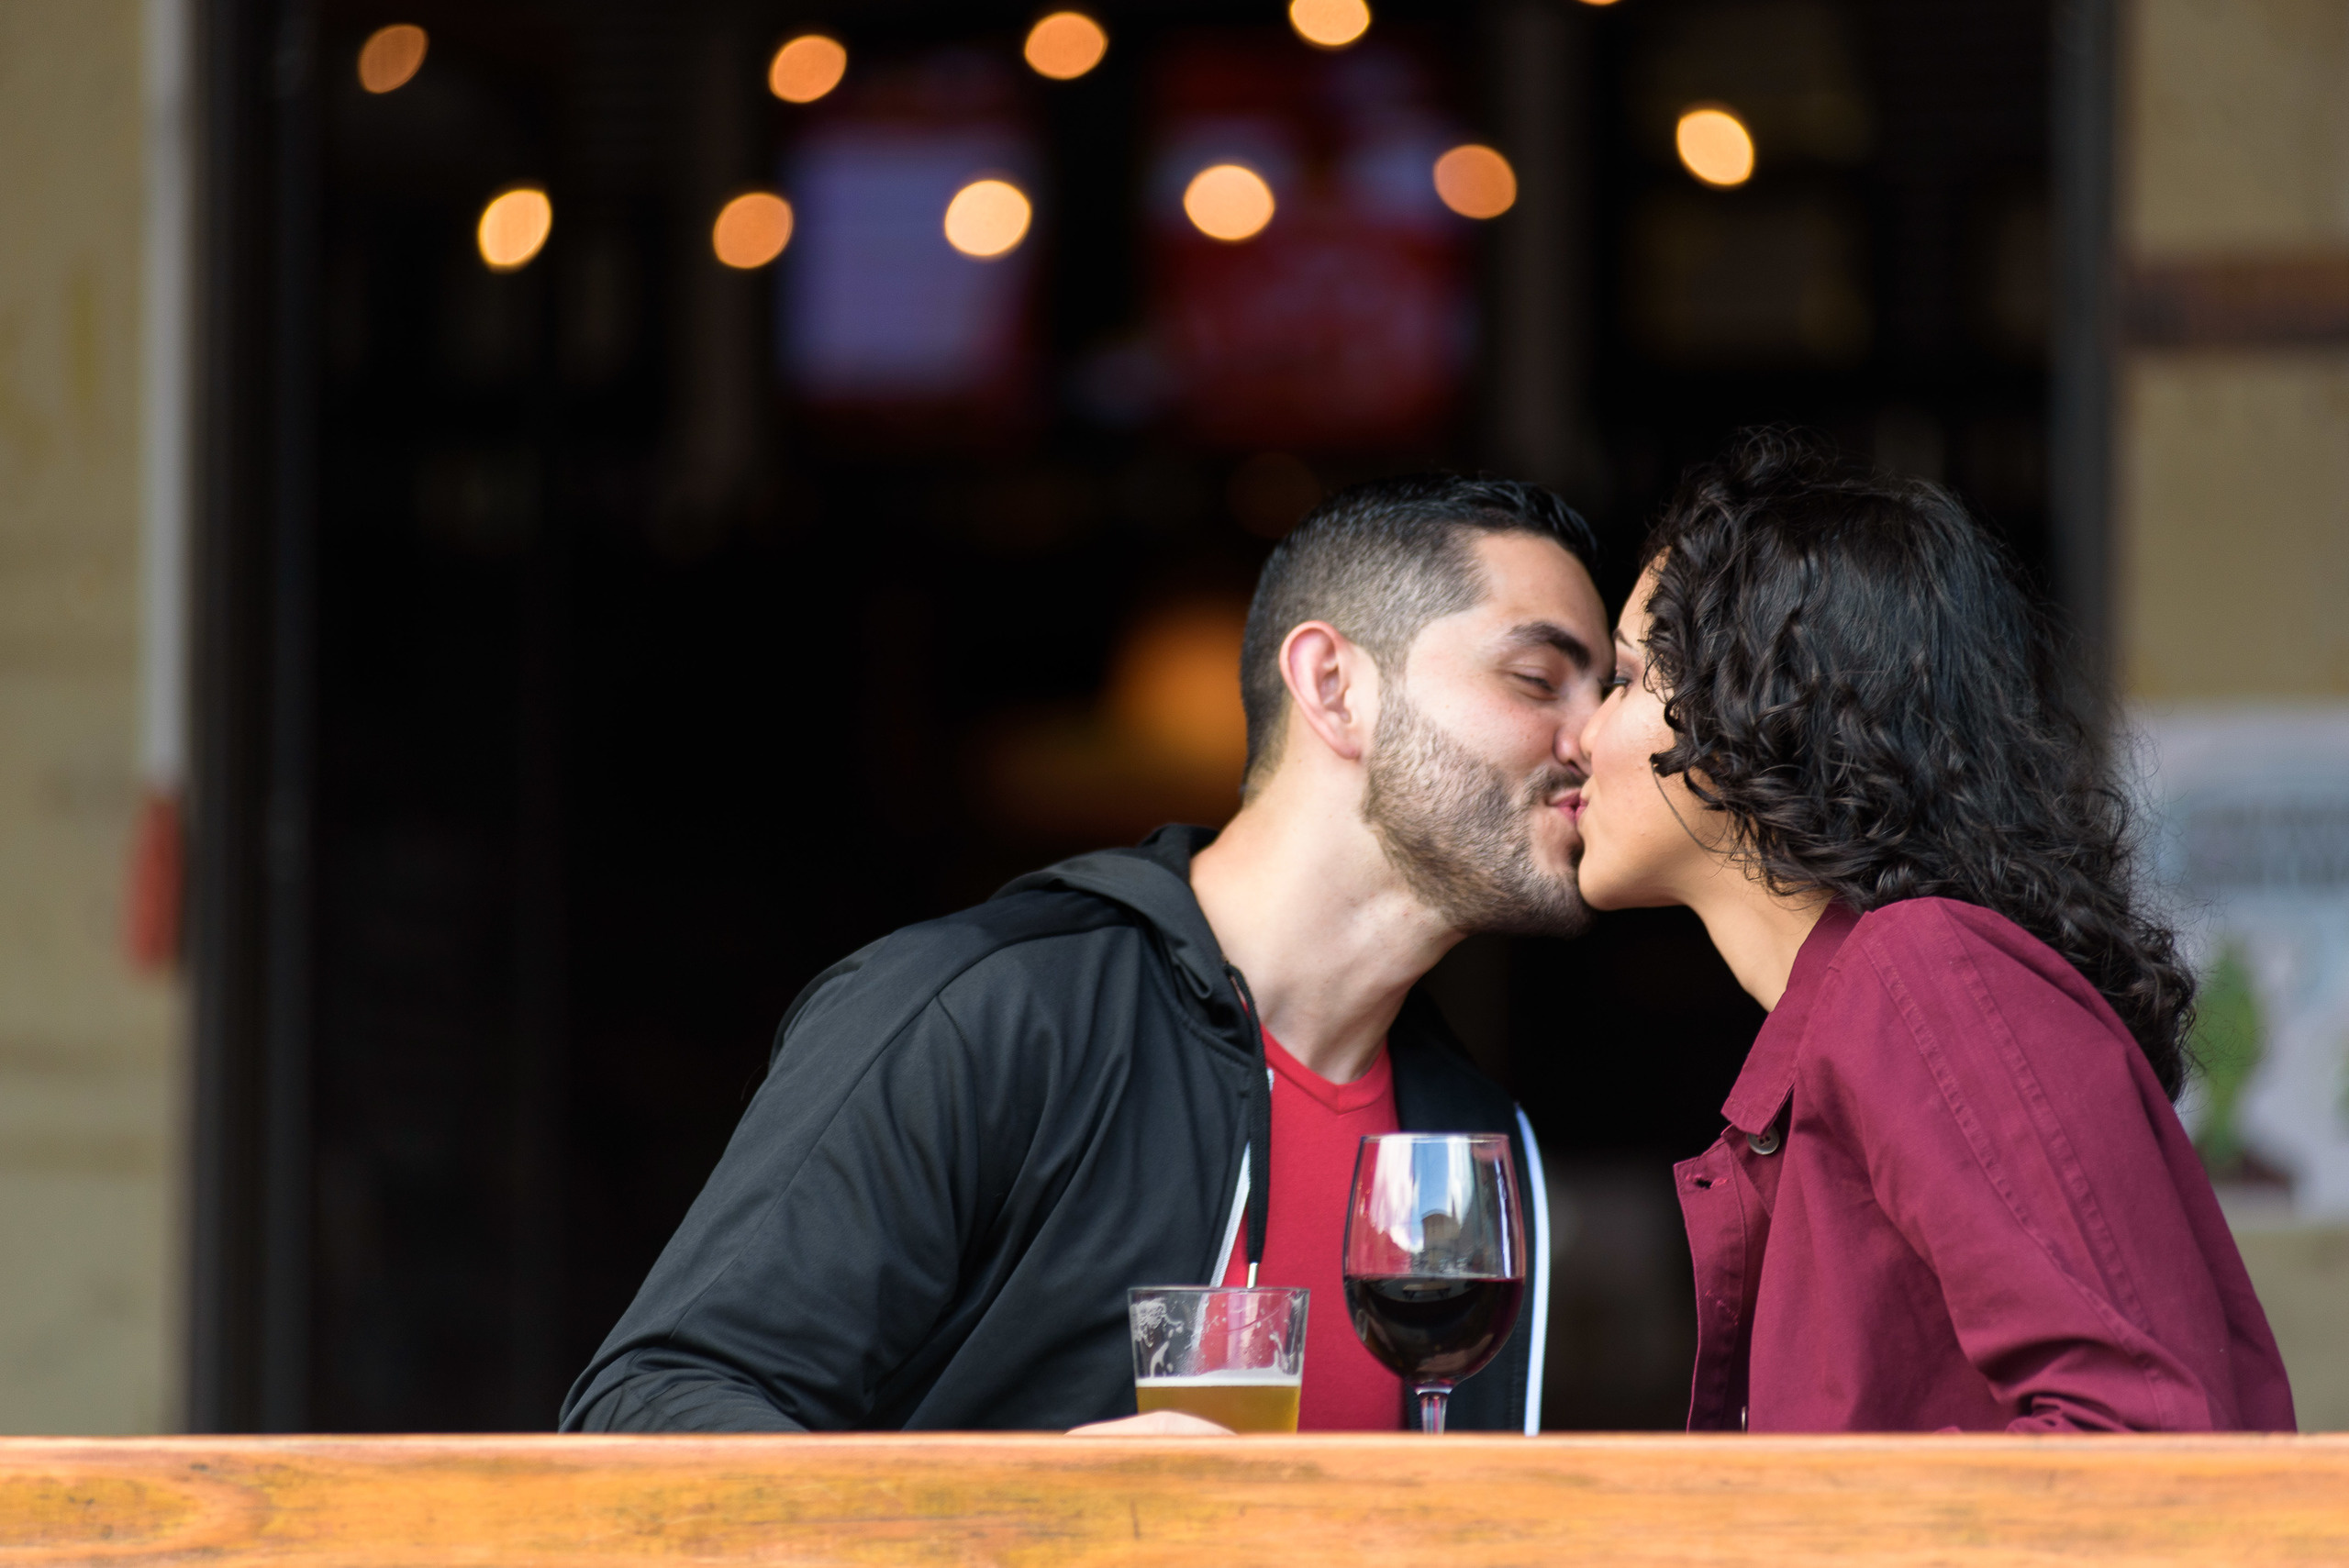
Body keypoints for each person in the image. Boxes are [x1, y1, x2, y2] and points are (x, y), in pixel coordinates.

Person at [559, 473, 1611, 1434]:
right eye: (1535, 678)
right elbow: (648, 1411)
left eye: (1605, 695)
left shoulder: (1473, 1146)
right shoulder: (988, 1014)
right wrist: (1038, 1518)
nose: (1593, 739)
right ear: (1333, 685)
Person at [1573, 430, 2295, 1432]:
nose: (1576, 737)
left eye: (1620, 678)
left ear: (1758, 704)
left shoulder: (1923, 969)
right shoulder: (1865, 1008)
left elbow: (2139, 1439)